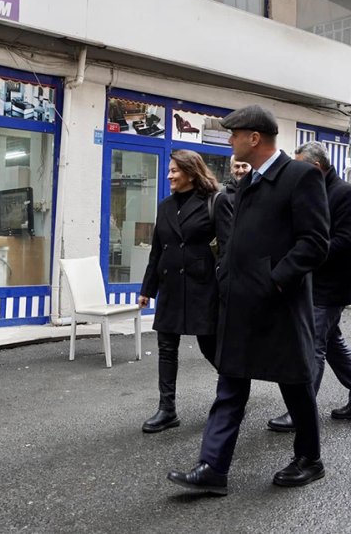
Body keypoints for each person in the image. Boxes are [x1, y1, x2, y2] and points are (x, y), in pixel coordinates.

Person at [167, 105, 329, 495]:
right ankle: (212, 467)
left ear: (254, 138)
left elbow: (314, 243)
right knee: (230, 384)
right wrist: (226, 276)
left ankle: (310, 458)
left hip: (280, 304)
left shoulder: (300, 176)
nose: (230, 142)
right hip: (238, 303)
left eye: (234, 135)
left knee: (295, 382)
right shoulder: (245, 182)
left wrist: (274, 281)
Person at [267, 141, 351, 433]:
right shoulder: (310, 192)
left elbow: (348, 241)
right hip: (311, 282)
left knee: (311, 347)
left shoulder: (347, 194)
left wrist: (309, 251)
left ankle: (300, 412)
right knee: (331, 343)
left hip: (331, 285)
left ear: (315, 166)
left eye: (299, 164)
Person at [138, 150, 223, 433]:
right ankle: (167, 409)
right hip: (171, 286)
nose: (170, 175)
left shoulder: (213, 202)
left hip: (203, 287)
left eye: (175, 170)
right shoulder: (165, 206)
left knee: (211, 346)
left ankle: (232, 394)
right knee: (166, 348)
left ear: (191, 172)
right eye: (170, 170)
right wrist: (147, 289)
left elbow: (228, 248)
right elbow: (157, 250)